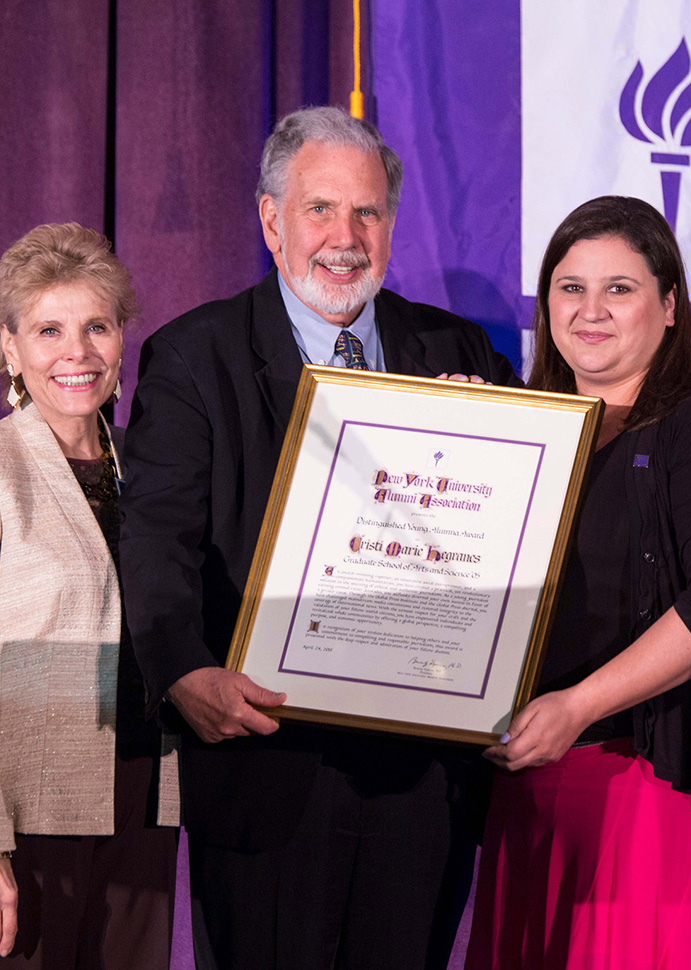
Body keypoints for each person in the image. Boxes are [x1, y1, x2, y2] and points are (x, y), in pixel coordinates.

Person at [118, 106, 518, 970]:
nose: (346, 237)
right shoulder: (196, 356)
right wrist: (184, 676)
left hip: (422, 777)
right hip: (264, 760)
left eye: (368, 212)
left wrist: (477, 436)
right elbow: (156, 544)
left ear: (393, 223)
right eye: (320, 209)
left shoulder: (460, 353)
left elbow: (521, 538)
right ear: (271, 220)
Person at [465, 196, 691, 970]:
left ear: (669, 305)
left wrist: (577, 708)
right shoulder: (520, 428)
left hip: (643, 788)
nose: (591, 311)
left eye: (620, 288)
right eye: (570, 288)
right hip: (526, 779)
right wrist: (447, 433)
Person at [0, 223, 179, 969]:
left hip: (145, 800)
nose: (76, 352)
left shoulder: (158, 467)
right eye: (49, 330)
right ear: (10, 349)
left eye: (95, 326)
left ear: (121, 340)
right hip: (28, 814)